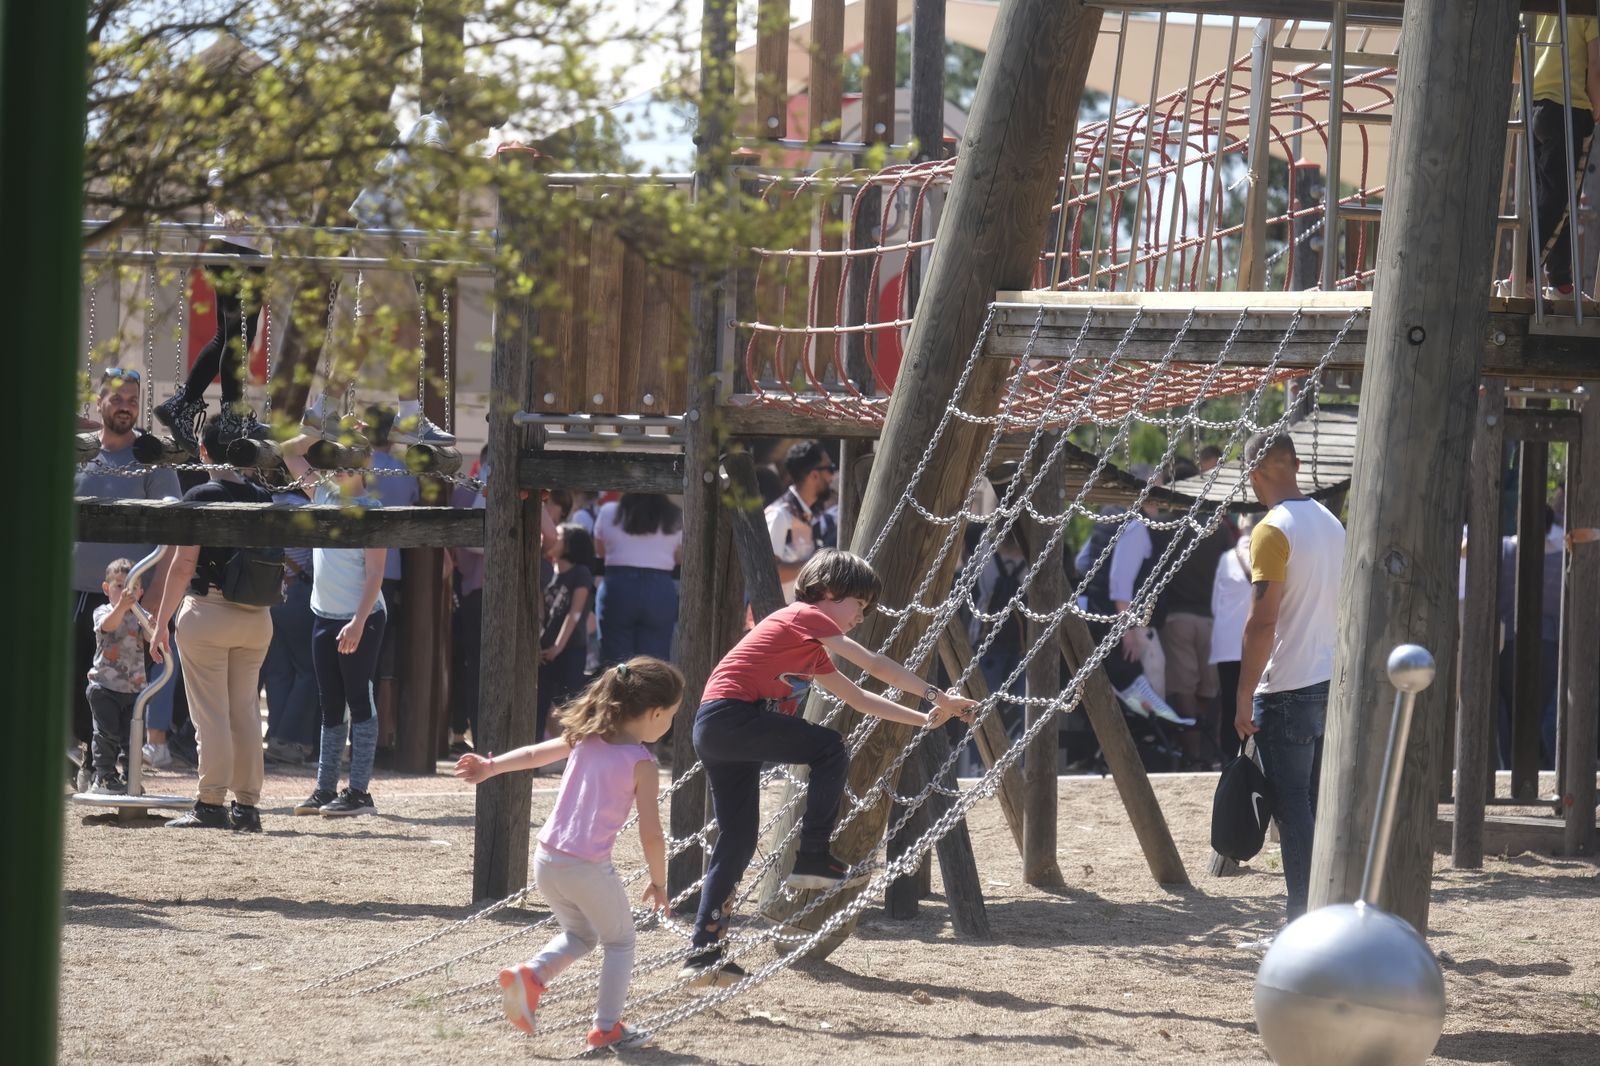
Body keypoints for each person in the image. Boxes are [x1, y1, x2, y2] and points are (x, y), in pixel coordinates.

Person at [679, 549, 975, 987]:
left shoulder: (812, 652)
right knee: (830, 748)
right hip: (731, 717)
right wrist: (938, 696)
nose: (861, 616)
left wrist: (926, 719)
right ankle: (813, 855)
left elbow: (858, 697)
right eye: (859, 604)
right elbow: (872, 664)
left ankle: (704, 952)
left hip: (718, 729)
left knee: (737, 840)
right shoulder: (803, 614)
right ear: (828, 591)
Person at [454, 657, 683, 1052]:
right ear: (655, 713)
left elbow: (530, 755)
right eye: (672, 716)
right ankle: (607, 1027)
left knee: (581, 935)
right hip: (587, 867)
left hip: (546, 860)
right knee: (621, 941)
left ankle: (530, 975)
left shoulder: (585, 735)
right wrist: (659, 882)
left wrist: (489, 766)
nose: (670, 724)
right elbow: (652, 836)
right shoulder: (642, 764)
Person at [301, 79, 502, 447]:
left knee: (371, 330)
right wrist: (485, 166)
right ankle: (409, 417)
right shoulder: (434, 126)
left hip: (383, 230)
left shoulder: (433, 129)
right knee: (409, 323)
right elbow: (436, 154)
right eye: (486, 122)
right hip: (382, 232)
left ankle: (321, 409)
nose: (485, 132)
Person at [1234, 432, 1345, 922]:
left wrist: (1242, 695)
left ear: (1255, 474)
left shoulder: (1271, 529)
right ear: (1296, 464)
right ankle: (1327, 909)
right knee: (1318, 804)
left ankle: (1302, 918)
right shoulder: (1331, 523)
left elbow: (1263, 620)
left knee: (1292, 807)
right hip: (1329, 679)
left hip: (1286, 685)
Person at [150, 418, 278, 831]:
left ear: (203, 452)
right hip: (257, 616)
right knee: (245, 712)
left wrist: (160, 622)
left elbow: (184, 564)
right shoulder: (262, 496)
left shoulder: (200, 495)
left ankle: (210, 802)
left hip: (208, 611)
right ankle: (247, 806)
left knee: (211, 715)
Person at [72, 368, 181, 778]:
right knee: (73, 682)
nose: (125, 407)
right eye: (117, 399)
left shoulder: (151, 459)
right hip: (74, 592)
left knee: (116, 689)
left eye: (133, 400)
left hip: (127, 599)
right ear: (99, 403)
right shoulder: (79, 453)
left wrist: (153, 601)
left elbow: (173, 531)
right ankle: (86, 753)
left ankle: (104, 765)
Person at [276, 436, 389, 816]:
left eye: (350, 460)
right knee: (330, 705)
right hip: (324, 615)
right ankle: (325, 788)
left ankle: (359, 792)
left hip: (363, 616)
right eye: (337, 458)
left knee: (360, 700)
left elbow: (375, 574)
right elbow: (288, 451)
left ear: (364, 466)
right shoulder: (322, 494)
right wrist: (320, 428)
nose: (340, 467)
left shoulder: (370, 510)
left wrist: (358, 623)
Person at [153, 156, 268, 452]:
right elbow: (218, 177)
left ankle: (181, 404)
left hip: (246, 249)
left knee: (228, 337)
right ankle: (230, 415)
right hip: (234, 248)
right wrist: (229, 208)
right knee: (237, 338)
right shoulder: (244, 131)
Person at [1519, 14, 1600, 297]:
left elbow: (1520, 62)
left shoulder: (1535, 10)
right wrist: (1598, 105)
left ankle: (1560, 280)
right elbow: (1595, 63)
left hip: (1534, 106)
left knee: (1554, 197)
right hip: (1570, 107)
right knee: (1559, 200)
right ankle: (1523, 274)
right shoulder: (1587, 8)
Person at [261, 483, 318, 764]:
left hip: (267, 593)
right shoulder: (306, 508)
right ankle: (289, 737)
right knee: (308, 671)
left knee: (278, 672)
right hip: (298, 590)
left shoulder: (266, 500)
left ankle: (276, 737)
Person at [593, 493, 682, 664]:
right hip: (659, 589)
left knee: (615, 662)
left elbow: (600, 550)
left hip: (618, 587)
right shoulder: (674, 515)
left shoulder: (609, 511)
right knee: (654, 663)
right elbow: (679, 556)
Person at [85, 559, 149, 793]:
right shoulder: (103, 611)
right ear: (106, 589)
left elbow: (153, 636)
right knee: (106, 735)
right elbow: (108, 626)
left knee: (134, 738)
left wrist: (156, 625)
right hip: (104, 687)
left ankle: (130, 778)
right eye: (120, 586)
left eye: (132, 588)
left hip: (134, 689)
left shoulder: (141, 615)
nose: (126, 593)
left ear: (140, 591)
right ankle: (103, 777)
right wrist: (122, 607)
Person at [539, 523, 597, 743]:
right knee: (541, 702)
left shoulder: (581, 574)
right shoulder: (546, 570)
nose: (552, 538)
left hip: (571, 647)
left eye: (559, 536)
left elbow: (575, 612)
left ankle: (574, 752)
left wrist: (557, 647)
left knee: (571, 703)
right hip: (544, 649)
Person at [1209, 514, 1255, 764]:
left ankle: (1230, 756)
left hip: (1227, 644)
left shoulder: (1227, 559)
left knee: (1229, 702)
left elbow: (1216, 605)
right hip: (1258, 644)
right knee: (1256, 701)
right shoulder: (1268, 556)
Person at [765, 441, 837, 600]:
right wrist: (816, 565)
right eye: (830, 468)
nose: (833, 476)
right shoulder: (779, 515)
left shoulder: (814, 513)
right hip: (778, 614)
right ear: (814, 475)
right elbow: (768, 572)